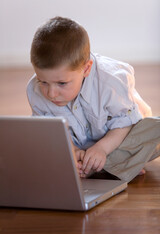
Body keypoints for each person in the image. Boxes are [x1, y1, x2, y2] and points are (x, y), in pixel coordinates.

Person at [27, 16, 160, 182]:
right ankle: (110, 165)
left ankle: (107, 162)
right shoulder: (35, 90)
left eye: (62, 83)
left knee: (154, 130)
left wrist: (102, 149)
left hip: (119, 135)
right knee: (33, 147)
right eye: (43, 82)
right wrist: (73, 150)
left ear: (86, 69)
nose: (51, 93)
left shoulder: (110, 82)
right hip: (82, 143)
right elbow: (52, 131)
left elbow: (125, 123)